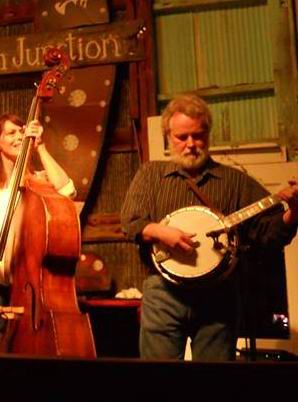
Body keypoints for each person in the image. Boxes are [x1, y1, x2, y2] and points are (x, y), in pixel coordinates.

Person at [120, 93, 298, 361]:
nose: (191, 144)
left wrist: (294, 212)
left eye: (198, 135)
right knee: (158, 377)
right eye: (182, 137)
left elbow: (268, 233)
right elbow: (130, 222)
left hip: (219, 295)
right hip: (163, 291)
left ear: (208, 134)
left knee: (215, 380)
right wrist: (161, 232)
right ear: (169, 137)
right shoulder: (150, 175)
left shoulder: (235, 181)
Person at [0, 113, 76, 353]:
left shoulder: (37, 182)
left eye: (22, 131)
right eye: (11, 133)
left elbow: (67, 190)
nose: (19, 137)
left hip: (31, 286)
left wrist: (40, 147)